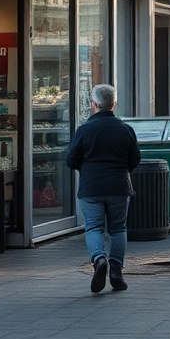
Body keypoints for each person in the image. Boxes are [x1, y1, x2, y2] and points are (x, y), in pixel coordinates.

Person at [65, 84, 141, 294]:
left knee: (94, 228)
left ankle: (99, 260)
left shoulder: (85, 130)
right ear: (113, 104)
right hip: (119, 185)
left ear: (94, 104)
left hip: (91, 187)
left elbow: (71, 160)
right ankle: (116, 270)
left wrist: (87, 168)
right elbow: (135, 159)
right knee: (118, 229)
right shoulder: (125, 129)